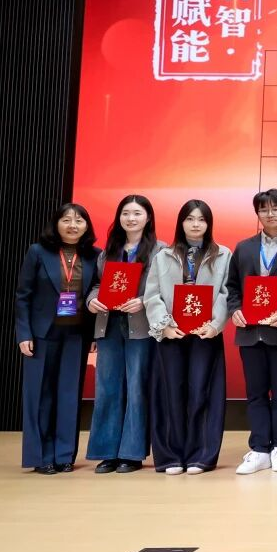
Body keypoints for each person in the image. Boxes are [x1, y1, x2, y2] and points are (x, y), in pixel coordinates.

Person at [144, 199, 230, 475]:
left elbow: (225, 293)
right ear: (181, 223)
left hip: (205, 335)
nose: (196, 224)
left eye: (201, 219)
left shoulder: (223, 255)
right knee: (170, 393)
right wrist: (164, 326)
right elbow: (152, 296)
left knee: (201, 392)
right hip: (172, 333)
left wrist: (214, 325)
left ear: (209, 224)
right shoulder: (164, 256)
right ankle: (170, 456)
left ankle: (200, 455)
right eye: (190, 219)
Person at [226, 189, 277, 476]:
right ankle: (260, 448)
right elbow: (231, 287)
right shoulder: (244, 247)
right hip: (250, 332)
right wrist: (235, 309)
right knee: (256, 392)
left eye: (276, 208)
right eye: (264, 209)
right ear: (257, 214)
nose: (270, 214)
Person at [15, 203, 100, 474]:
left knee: (69, 395)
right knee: (41, 395)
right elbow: (23, 295)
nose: (73, 225)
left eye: (79, 220)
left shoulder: (95, 255)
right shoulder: (38, 252)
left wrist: (95, 334)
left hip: (76, 334)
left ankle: (64, 456)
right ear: (56, 223)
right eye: (66, 220)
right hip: (42, 334)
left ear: (86, 226)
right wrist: (24, 333)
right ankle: (42, 457)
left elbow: (97, 293)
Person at [84, 195, 163, 474]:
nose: (131, 218)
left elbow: (165, 289)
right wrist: (92, 299)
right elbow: (97, 284)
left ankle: (131, 453)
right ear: (119, 217)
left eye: (137, 213)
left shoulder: (160, 251)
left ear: (148, 217)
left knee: (137, 387)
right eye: (126, 213)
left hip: (141, 327)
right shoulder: (109, 251)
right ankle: (107, 452)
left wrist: (143, 300)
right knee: (107, 387)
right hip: (108, 325)